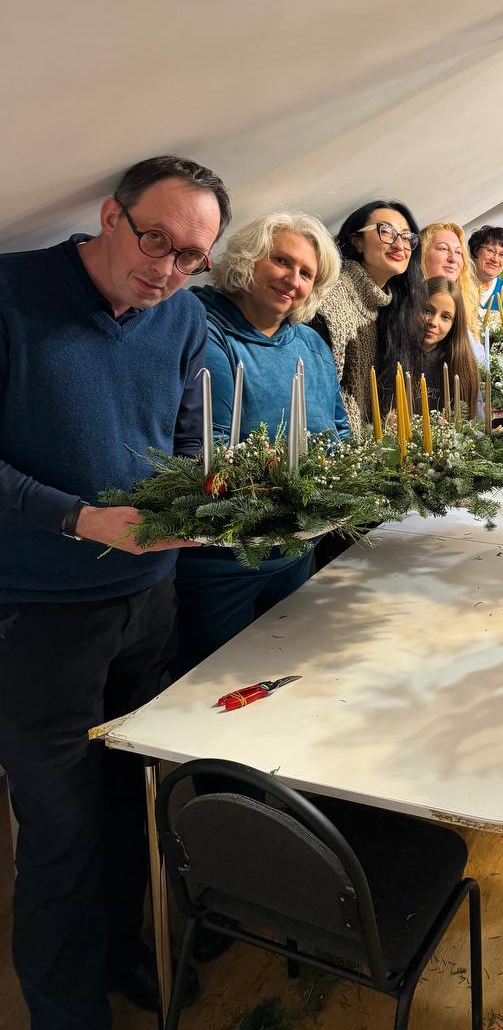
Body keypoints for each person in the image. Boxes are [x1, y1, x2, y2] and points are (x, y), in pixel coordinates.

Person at [0, 156, 230, 1029]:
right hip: (36, 616)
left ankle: (122, 950)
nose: (168, 270)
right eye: (155, 240)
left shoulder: (183, 318)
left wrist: (202, 499)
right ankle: (66, 1010)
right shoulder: (14, 293)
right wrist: (79, 519)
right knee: (62, 832)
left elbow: (187, 441)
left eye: (192, 257)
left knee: (136, 801)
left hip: (149, 601)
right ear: (110, 215)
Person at [174, 212, 349, 675]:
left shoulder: (310, 343)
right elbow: (209, 449)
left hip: (297, 549)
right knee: (212, 683)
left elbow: (339, 430)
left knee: (282, 673)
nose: (293, 280)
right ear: (247, 260)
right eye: (281, 261)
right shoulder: (207, 329)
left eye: (306, 273)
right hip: (224, 564)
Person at [311, 200, 424, 431]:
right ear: (357, 241)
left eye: (406, 237)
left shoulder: (392, 306)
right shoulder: (330, 301)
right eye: (386, 232)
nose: (399, 244)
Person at [420, 276, 480, 418]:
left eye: (445, 317)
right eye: (427, 310)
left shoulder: (461, 365)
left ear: (454, 324)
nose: (433, 322)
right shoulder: (395, 353)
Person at [420, 222, 482, 343]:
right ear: (423, 253)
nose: (453, 259)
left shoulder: (464, 303)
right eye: (443, 249)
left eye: (458, 252)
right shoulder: (404, 303)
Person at [468, 224, 503, 325]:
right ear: (475, 251)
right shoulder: (458, 287)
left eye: (502, 255)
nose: (495, 259)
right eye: (490, 251)